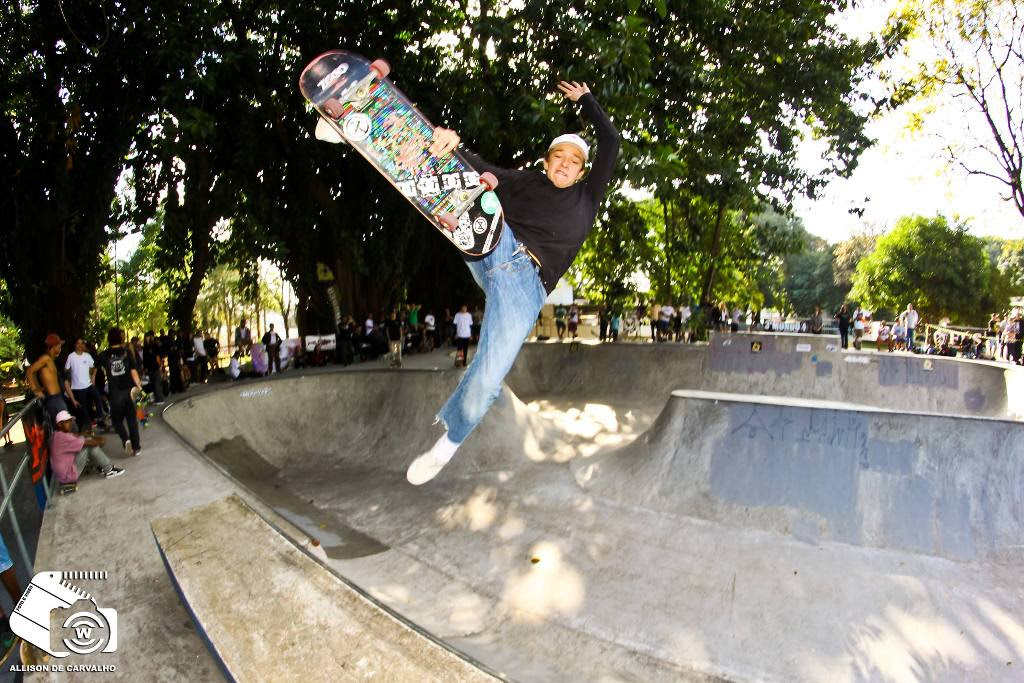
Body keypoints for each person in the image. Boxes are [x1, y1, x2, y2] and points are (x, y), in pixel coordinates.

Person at [403, 79, 619, 484]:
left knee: (490, 374)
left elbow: (611, 141)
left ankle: (448, 444)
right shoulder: (528, 182)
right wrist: (457, 147)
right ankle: (398, 141)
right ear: (546, 161)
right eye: (558, 158)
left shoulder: (588, 197)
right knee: (477, 181)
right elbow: (488, 169)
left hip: (526, 286)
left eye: (573, 162)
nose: (565, 165)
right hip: (497, 249)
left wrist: (586, 101)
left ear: (583, 171)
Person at [98, 328, 144, 457]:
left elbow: (94, 369)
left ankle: (125, 439)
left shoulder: (104, 355)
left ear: (109, 339)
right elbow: (133, 371)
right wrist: (139, 387)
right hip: (129, 391)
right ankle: (136, 447)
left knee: (116, 420)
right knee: (131, 420)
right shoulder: (127, 352)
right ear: (121, 338)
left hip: (115, 392)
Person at [50, 410, 124, 486]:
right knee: (89, 446)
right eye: (67, 422)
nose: (70, 424)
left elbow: (74, 435)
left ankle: (100, 465)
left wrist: (84, 434)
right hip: (68, 476)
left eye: (70, 421)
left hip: (62, 475)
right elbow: (95, 443)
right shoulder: (65, 438)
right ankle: (109, 469)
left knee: (83, 440)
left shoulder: (56, 434)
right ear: (59, 424)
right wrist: (100, 439)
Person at [26, 333, 71, 424]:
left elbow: (33, 373)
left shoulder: (50, 359)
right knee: (66, 427)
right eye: (59, 346)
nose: (60, 348)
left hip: (57, 397)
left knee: (65, 427)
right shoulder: (45, 358)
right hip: (54, 399)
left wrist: (38, 387)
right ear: (53, 347)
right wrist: (35, 389)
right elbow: (30, 371)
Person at [64, 337, 102, 428]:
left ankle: (100, 417)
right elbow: (66, 369)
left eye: (82, 343)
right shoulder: (71, 356)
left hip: (88, 384)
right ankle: (88, 424)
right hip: (77, 387)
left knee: (97, 398)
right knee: (83, 406)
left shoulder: (87, 356)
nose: (80, 345)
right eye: (78, 343)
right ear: (75, 345)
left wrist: (93, 376)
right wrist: (69, 380)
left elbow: (94, 366)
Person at [141, 332, 165, 404]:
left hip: (155, 366)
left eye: (149, 337)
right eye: (147, 337)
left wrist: (159, 365)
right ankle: (157, 398)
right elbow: (145, 359)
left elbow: (159, 356)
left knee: (156, 383)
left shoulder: (154, 346)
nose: (148, 339)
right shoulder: (145, 347)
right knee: (153, 383)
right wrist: (145, 367)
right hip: (149, 367)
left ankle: (160, 399)